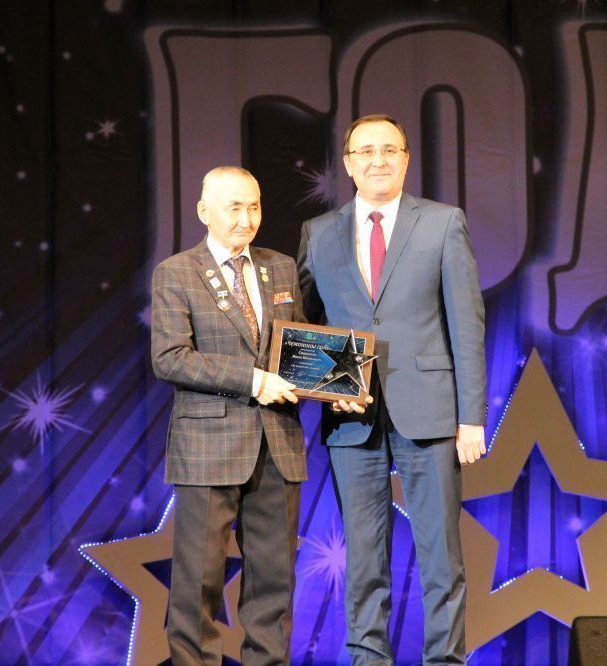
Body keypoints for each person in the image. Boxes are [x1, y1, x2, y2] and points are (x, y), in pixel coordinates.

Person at [298, 114, 487, 664]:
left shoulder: (443, 222)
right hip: (350, 416)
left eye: (389, 150)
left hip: (430, 410)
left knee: (441, 557)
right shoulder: (319, 232)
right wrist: (326, 385)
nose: (377, 160)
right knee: (362, 559)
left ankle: (444, 661)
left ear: (406, 159)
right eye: (366, 151)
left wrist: (471, 417)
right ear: (348, 164)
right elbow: (305, 327)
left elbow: (467, 324)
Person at [151, 166, 306, 665]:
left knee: (274, 586)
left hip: (277, 445)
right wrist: (253, 380)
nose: (246, 218)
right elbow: (170, 358)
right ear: (204, 211)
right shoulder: (177, 272)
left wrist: (337, 387)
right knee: (198, 585)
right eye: (234, 207)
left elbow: (298, 346)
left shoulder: (281, 267)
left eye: (254, 206)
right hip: (207, 447)